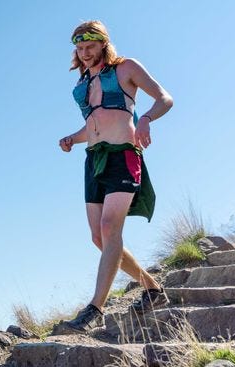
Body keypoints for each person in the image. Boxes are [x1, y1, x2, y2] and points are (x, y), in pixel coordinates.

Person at [52, 20, 174, 335]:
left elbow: (164, 98)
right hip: (94, 160)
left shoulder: (126, 68)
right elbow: (93, 126)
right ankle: (152, 288)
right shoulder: (82, 83)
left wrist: (146, 119)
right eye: (79, 48)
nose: (84, 52)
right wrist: (72, 138)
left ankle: (95, 308)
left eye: (90, 46)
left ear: (103, 43)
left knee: (110, 228)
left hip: (124, 156)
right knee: (98, 237)